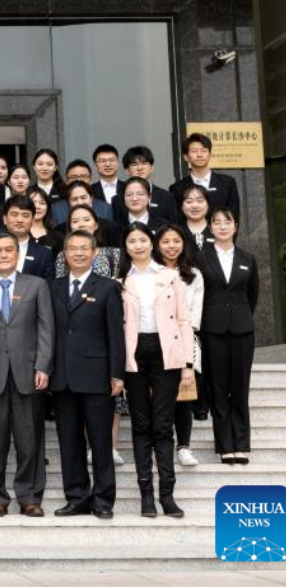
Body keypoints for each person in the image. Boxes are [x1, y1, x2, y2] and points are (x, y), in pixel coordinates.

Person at [0, 232, 54, 518]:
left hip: (28, 373)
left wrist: (43, 365)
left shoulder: (37, 285)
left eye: (9, 250)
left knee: (29, 440)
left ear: (17, 255)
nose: (4, 255)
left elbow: (46, 329)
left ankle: (30, 497)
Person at [49, 230, 125, 520]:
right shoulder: (52, 286)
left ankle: (103, 499)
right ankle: (77, 497)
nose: (78, 253)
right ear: (64, 254)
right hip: (62, 376)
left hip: (97, 375)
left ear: (95, 253)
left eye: (84, 248)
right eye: (72, 248)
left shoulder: (107, 288)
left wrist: (117, 374)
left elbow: (115, 334)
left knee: (100, 441)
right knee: (69, 442)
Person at [118, 223, 193, 518]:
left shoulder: (169, 276)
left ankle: (167, 495)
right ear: (126, 246)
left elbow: (184, 321)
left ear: (152, 244)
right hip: (134, 356)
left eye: (142, 240)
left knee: (162, 425)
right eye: (131, 240)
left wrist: (187, 363)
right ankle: (146, 496)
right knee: (140, 425)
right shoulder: (120, 280)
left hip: (167, 354)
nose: (138, 245)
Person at [197, 209, 259, 466]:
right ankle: (225, 445)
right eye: (217, 222)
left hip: (243, 330)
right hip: (213, 331)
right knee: (219, 389)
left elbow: (252, 294)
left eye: (227, 222)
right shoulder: (200, 258)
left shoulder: (248, 258)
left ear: (236, 226)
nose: (222, 226)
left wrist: (240, 317)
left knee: (240, 388)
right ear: (210, 227)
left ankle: (241, 444)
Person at [157, 225, 206, 467]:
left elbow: (195, 314)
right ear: (158, 244)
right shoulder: (150, 273)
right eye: (166, 241)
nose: (171, 245)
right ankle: (160, 444)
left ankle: (183, 446)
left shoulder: (194, 274)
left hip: (185, 339)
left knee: (184, 396)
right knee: (157, 397)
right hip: (154, 342)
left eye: (176, 240)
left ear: (183, 244)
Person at [0, 195, 54, 281]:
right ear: (5, 219)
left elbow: (46, 288)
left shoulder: (44, 254)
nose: (20, 220)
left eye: (25, 215)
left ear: (32, 220)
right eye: (14, 215)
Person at [171, 132, 240, 222]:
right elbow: (177, 219)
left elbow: (234, 215)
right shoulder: (177, 188)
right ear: (186, 157)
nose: (199, 155)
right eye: (194, 151)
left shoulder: (228, 183)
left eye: (203, 151)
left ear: (210, 154)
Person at [112, 146, 176, 224]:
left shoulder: (166, 197)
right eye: (134, 164)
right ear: (127, 170)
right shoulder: (117, 200)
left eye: (144, 163)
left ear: (152, 168)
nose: (139, 168)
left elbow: (174, 227)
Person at [53, 206, 121, 278]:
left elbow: (117, 285)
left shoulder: (114, 254)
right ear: (70, 227)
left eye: (86, 220)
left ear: (96, 225)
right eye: (75, 221)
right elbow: (60, 285)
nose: (81, 224)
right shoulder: (63, 256)